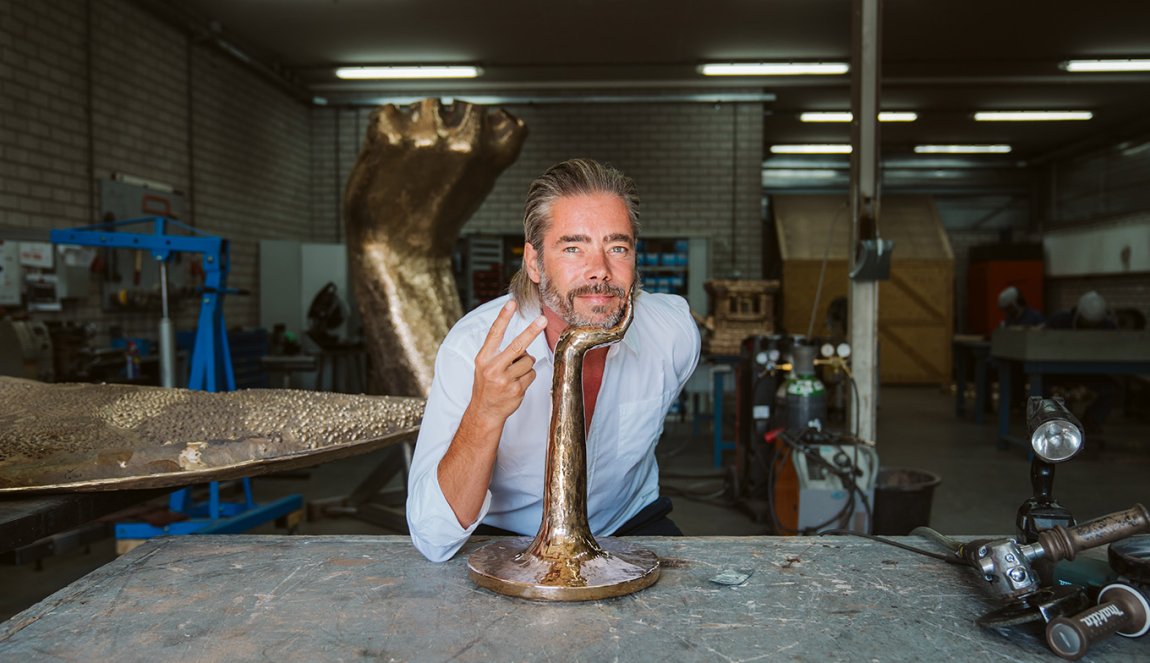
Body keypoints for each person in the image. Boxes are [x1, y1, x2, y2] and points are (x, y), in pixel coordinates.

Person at [407, 158, 701, 562]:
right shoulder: (472, 348)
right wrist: (483, 414)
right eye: (573, 247)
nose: (600, 271)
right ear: (534, 261)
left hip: (626, 525)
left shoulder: (673, 333)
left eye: (617, 247)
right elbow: (433, 536)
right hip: (508, 537)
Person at [1044, 290, 1118, 434]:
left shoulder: (1108, 326)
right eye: (1086, 323)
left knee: (1111, 389)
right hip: (1059, 372)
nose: (1090, 328)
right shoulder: (1059, 321)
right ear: (1078, 314)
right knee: (1043, 386)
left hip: (1091, 374)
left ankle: (1091, 421)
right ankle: (1060, 422)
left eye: (1094, 325)